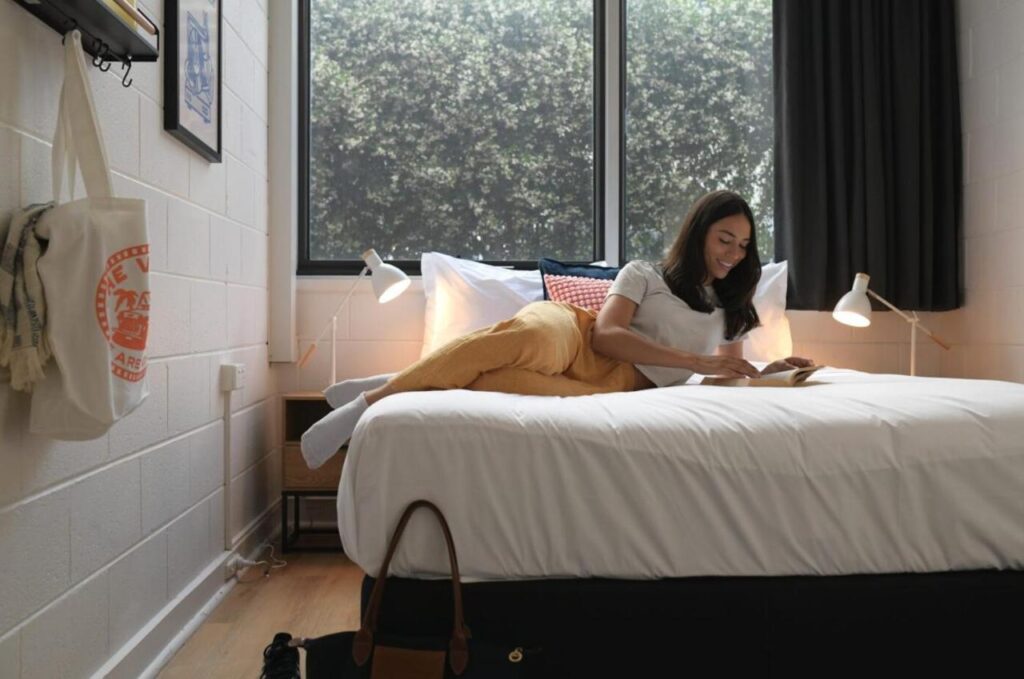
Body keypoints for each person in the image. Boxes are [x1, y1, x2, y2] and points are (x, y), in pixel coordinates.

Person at [301, 190, 813, 468]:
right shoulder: (644, 273)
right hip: (575, 331)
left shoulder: (728, 304)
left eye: (744, 246)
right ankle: (363, 407)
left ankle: (389, 384)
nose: (734, 254)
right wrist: (694, 362)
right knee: (520, 343)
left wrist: (773, 370)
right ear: (700, 233)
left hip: (616, 385)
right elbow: (605, 337)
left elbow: (729, 373)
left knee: (493, 381)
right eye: (726, 239)